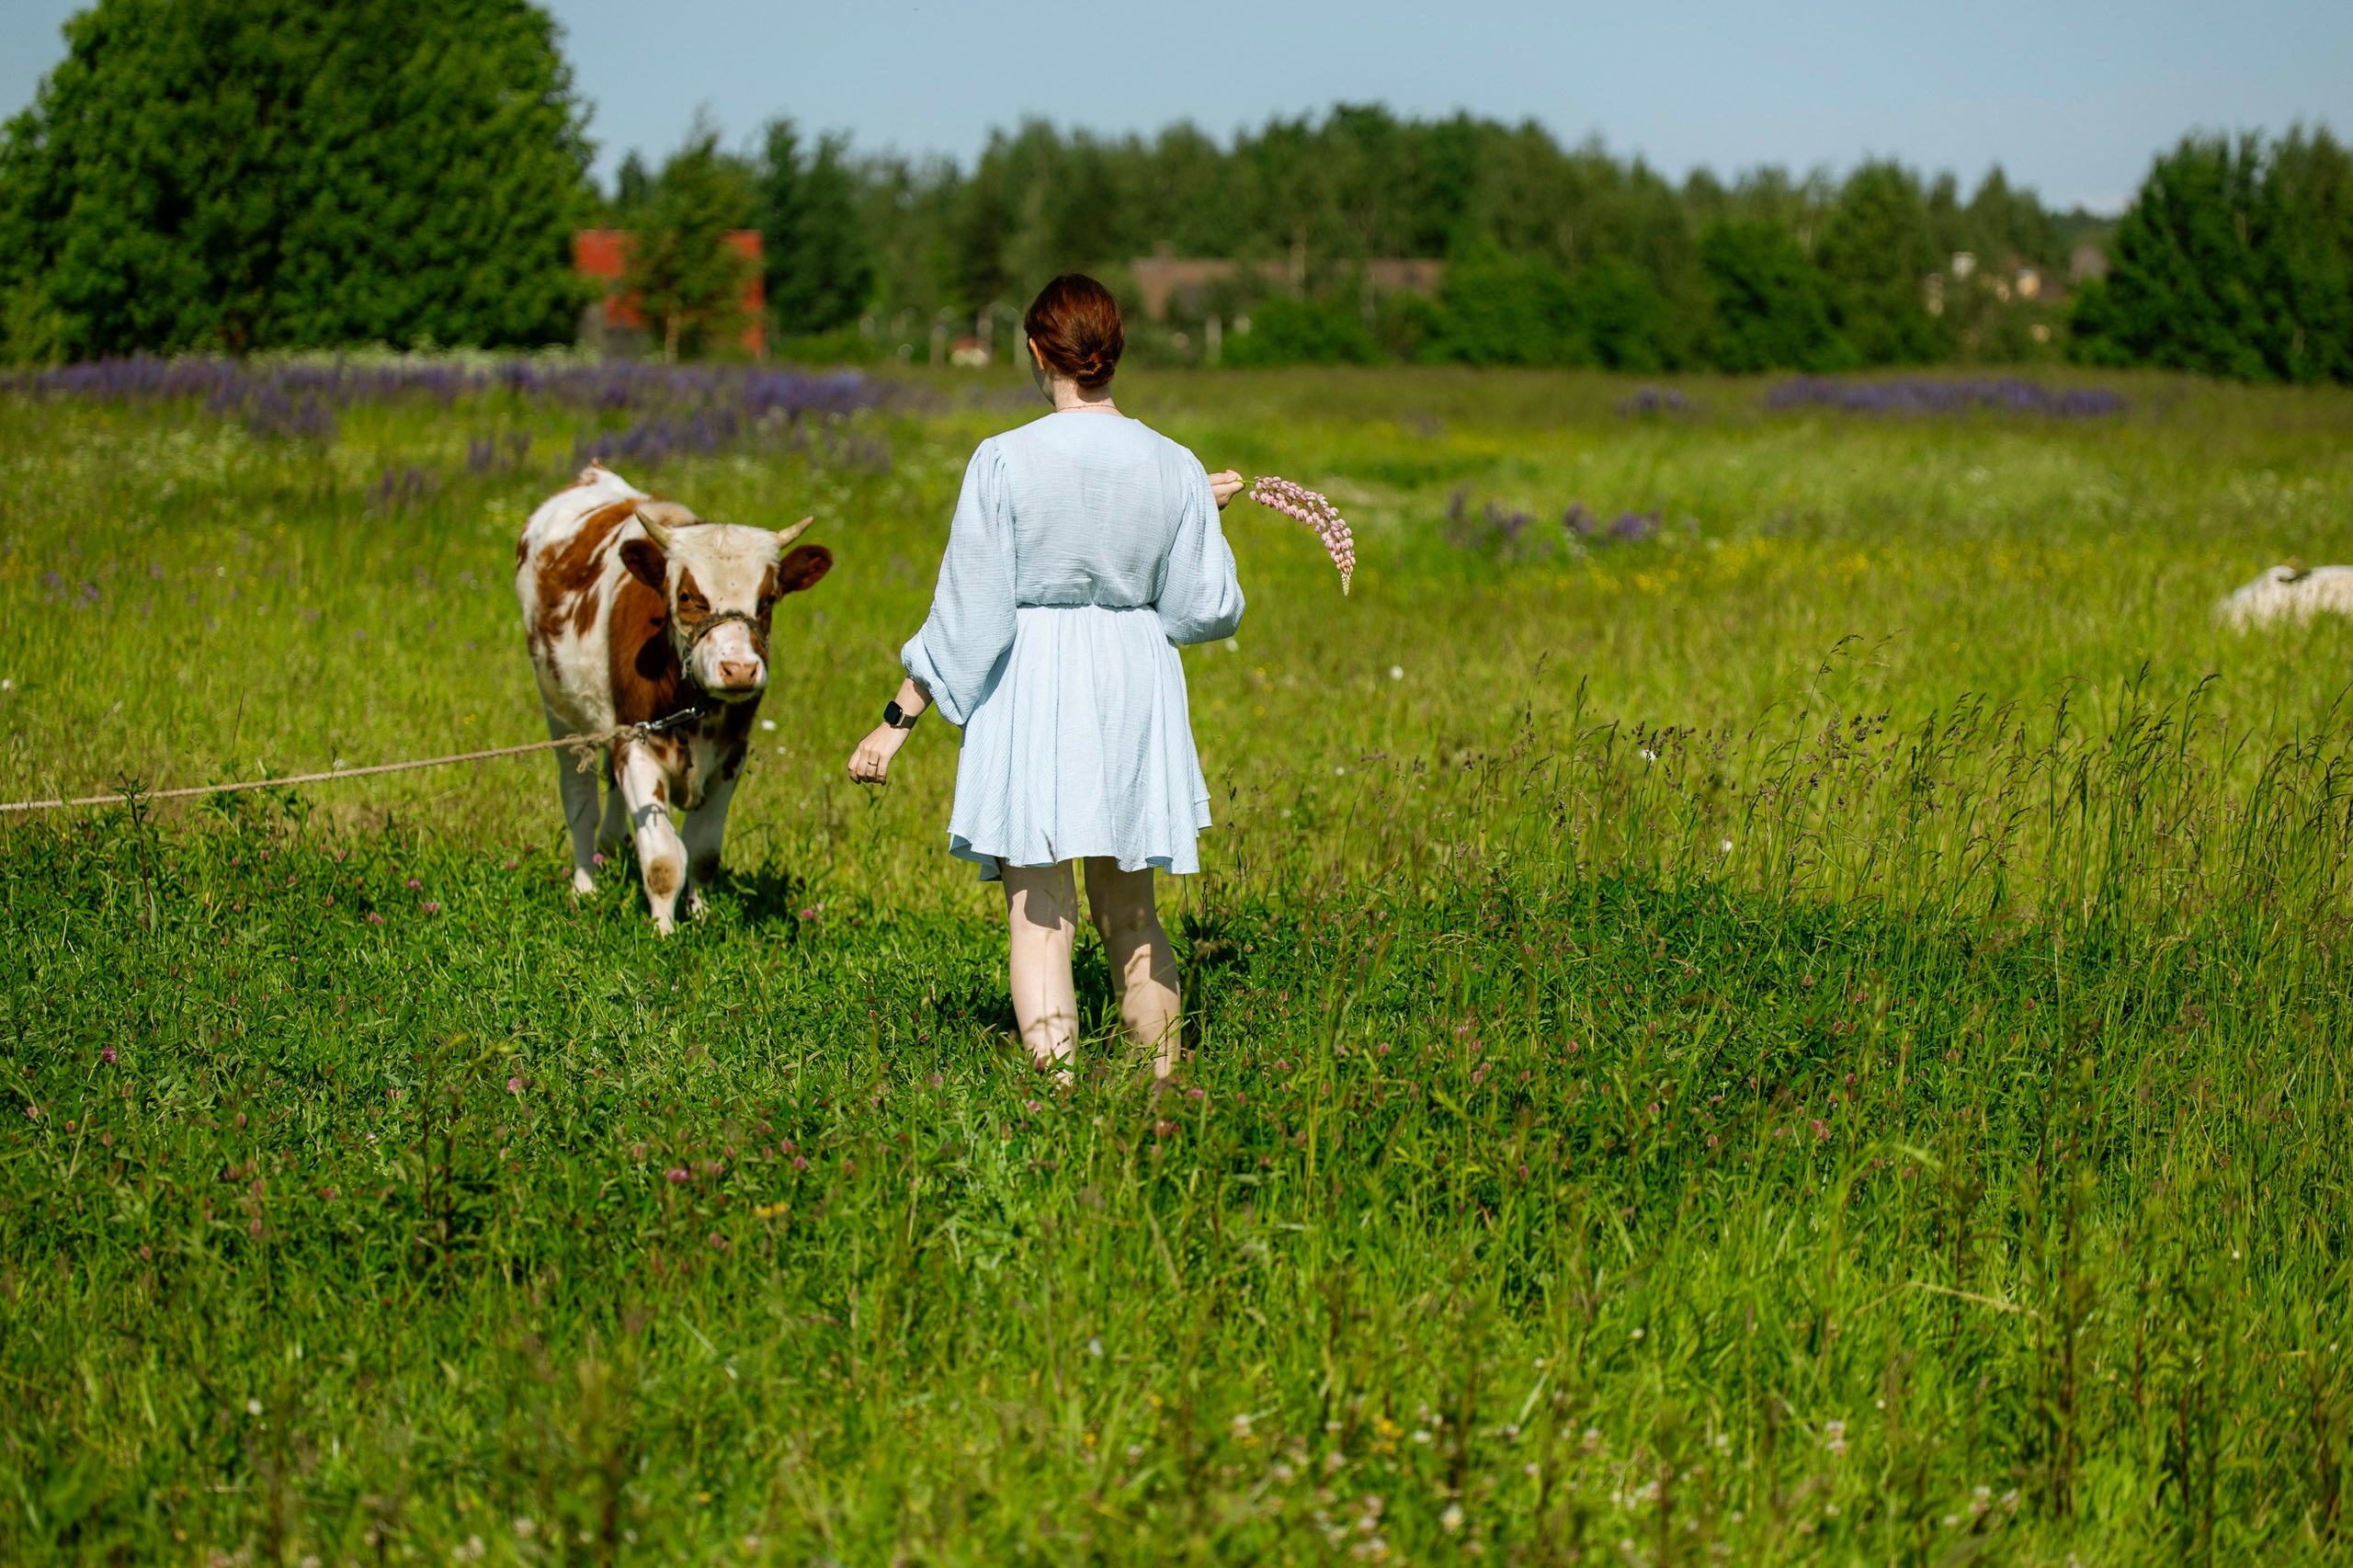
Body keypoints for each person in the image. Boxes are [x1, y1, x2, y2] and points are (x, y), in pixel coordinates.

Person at [847, 272, 1245, 1081]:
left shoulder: (1003, 460)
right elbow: (1203, 608)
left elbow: (973, 617)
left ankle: (1054, 1102)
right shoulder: (1174, 465)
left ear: (1037, 352)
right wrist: (1191, 517)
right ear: (1114, 356)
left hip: (1035, 681)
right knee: (1132, 912)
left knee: (1040, 917)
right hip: (1136, 679)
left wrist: (896, 721)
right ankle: (1163, 1090)